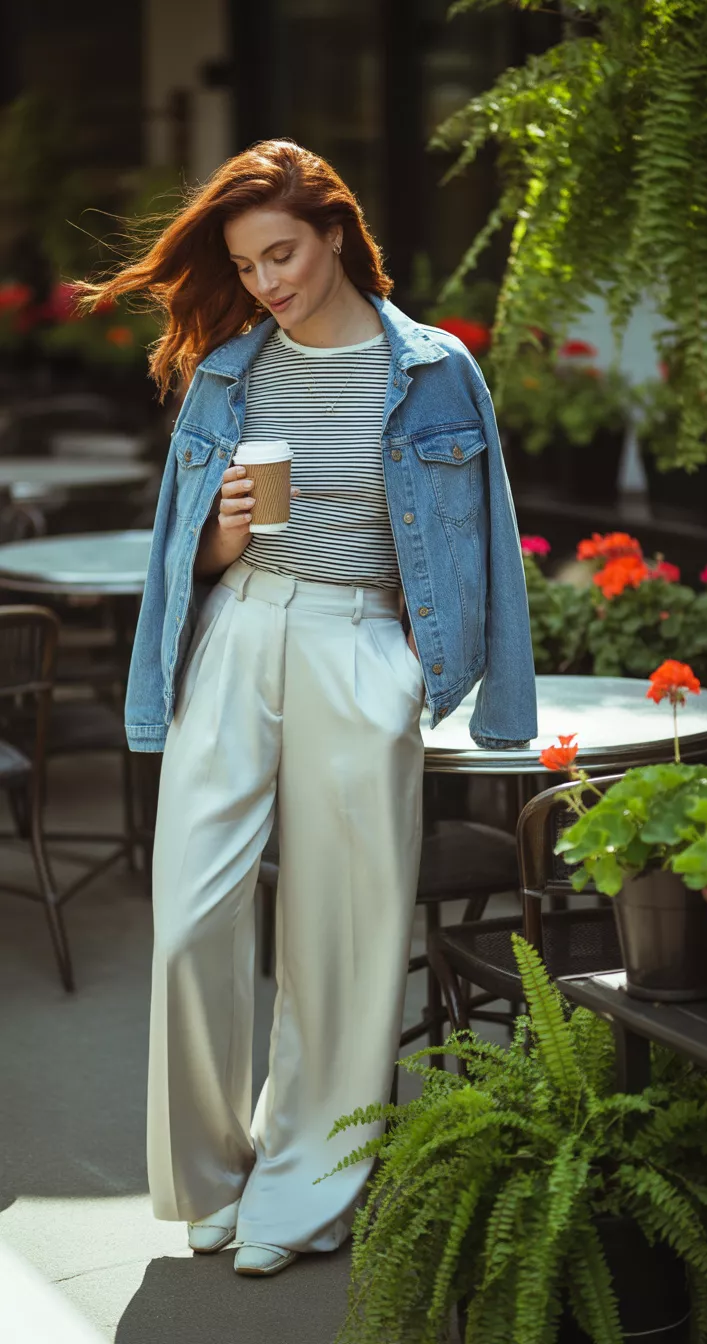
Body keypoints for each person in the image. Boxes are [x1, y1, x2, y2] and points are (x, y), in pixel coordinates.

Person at [78, 138, 537, 1279]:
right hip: (239, 634)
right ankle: (216, 1174)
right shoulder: (229, 370)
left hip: (361, 642)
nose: (268, 280)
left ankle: (305, 1189)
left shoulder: (432, 371)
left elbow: (491, 536)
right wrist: (228, 532)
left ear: (336, 235)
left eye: (282, 252)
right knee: (192, 918)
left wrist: (495, 707)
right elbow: (185, 551)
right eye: (247, 265)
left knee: (341, 935)